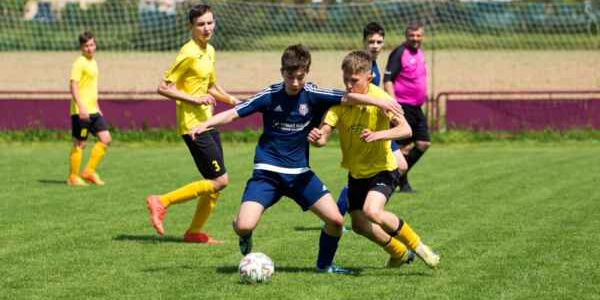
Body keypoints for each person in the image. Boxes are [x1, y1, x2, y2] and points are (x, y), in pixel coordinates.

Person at [190, 44, 403, 273]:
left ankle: (324, 266)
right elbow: (233, 113)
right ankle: (243, 231)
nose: (294, 83)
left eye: (299, 77)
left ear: (306, 73)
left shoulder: (312, 93)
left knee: (336, 221)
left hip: (300, 175)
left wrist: (381, 101)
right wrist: (205, 124)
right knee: (243, 225)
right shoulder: (270, 95)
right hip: (267, 174)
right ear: (282, 71)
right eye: (289, 76)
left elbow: (347, 97)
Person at [308, 50, 440, 269]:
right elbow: (324, 134)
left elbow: (406, 130)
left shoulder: (382, 100)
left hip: (384, 168)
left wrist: (380, 135)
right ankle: (398, 252)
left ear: (369, 78)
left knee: (372, 211)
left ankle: (421, 247)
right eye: (345, 80)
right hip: (357, 173)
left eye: (354, 80)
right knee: (359, 225)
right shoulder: (341, 103)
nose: (349, 86)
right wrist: (316, 139)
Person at [145, 4, 241, 244]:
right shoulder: (187, 52)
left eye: (210, 22)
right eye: (200, 24)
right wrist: (194, 98)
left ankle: (194, 233)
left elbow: (210, 86)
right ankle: (161, 201)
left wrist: (232, 100)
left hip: (208, 122)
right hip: (193, 126)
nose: (206, 28)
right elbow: (163, 87)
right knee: (221, 180)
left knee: (214, 184)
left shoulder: (209, 51)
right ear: (191, 27)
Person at [332, 21, 408, 219]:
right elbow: (352, 96)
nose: (375, 45)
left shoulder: (374, 66)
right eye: (371, 41)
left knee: (401, 165)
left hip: (377, 125)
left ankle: (360, 203)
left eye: (379, 41)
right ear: (364, 41)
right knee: (399, 165)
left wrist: (387, 106)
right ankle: (349, 203)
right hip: (366, 126)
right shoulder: (360, 64)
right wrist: (380, 103)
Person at [383, 21, 430, 193]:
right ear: (406, 36)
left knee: (423, 143)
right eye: (412, 35)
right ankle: (400, 183)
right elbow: (388, 80)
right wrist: (394, 106)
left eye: (418, 35)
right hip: (403, 106)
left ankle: (398, 178)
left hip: (416, 107)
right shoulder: (399, 52)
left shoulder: (420, 53)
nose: (415, 39)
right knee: (402, 148)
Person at [67, 31, 111, 187]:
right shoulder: (79, 63)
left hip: (94, 111)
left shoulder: (93, 62)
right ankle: (73, 177)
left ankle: (89, 172)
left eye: (92, 45)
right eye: (86, 45)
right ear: (81, 47)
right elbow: (73, 86)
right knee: (80, 143)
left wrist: (97, 107)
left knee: (105, 139)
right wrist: (81, 108)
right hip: (82, 113)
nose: (89, 48)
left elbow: (92, 87)